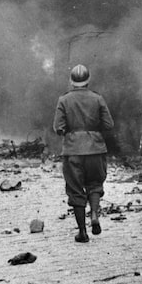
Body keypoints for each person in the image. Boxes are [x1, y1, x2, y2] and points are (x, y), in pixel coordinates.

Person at [53, 64, 114, 243]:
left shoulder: (64, 100)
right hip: (96, 149)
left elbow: (58, 127)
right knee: (95, 184)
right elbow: (109, 125)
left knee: (75, 190)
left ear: (71, 81)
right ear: (88, 80)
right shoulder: (98, 99)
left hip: (73, 151)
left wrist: (70, 131)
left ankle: (82, 232)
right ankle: (94, 214)